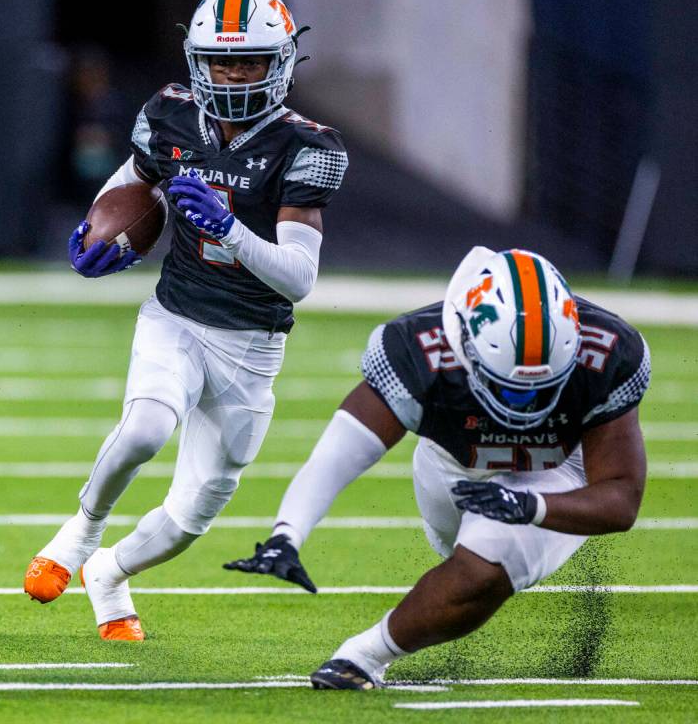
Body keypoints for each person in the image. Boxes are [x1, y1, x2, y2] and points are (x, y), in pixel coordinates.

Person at [23, 0, 348, 641]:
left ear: (280, 62)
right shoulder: (170, 113)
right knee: (145, 428)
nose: (232, 72)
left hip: (251, 347)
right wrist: (101, 228)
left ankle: (110, 576)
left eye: (249, 60)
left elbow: (298, 279)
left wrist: (230, 231)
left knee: (190, 517)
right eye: (221, 59)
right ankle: (78, 535)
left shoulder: (306, 144)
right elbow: (134, 180)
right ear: (197, 59)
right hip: (176, 316)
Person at [225, 246, 651, 689]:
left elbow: (621, 497)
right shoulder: (418, 351)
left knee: (486, 561)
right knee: (458, 553)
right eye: (508, 386)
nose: (522, 403)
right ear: (463, 340)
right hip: (451, 465)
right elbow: (339, 455)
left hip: (557, 470)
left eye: (540, 388)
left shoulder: (608, 352)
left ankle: (363, 657)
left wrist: (530, 506)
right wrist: (286, 535)